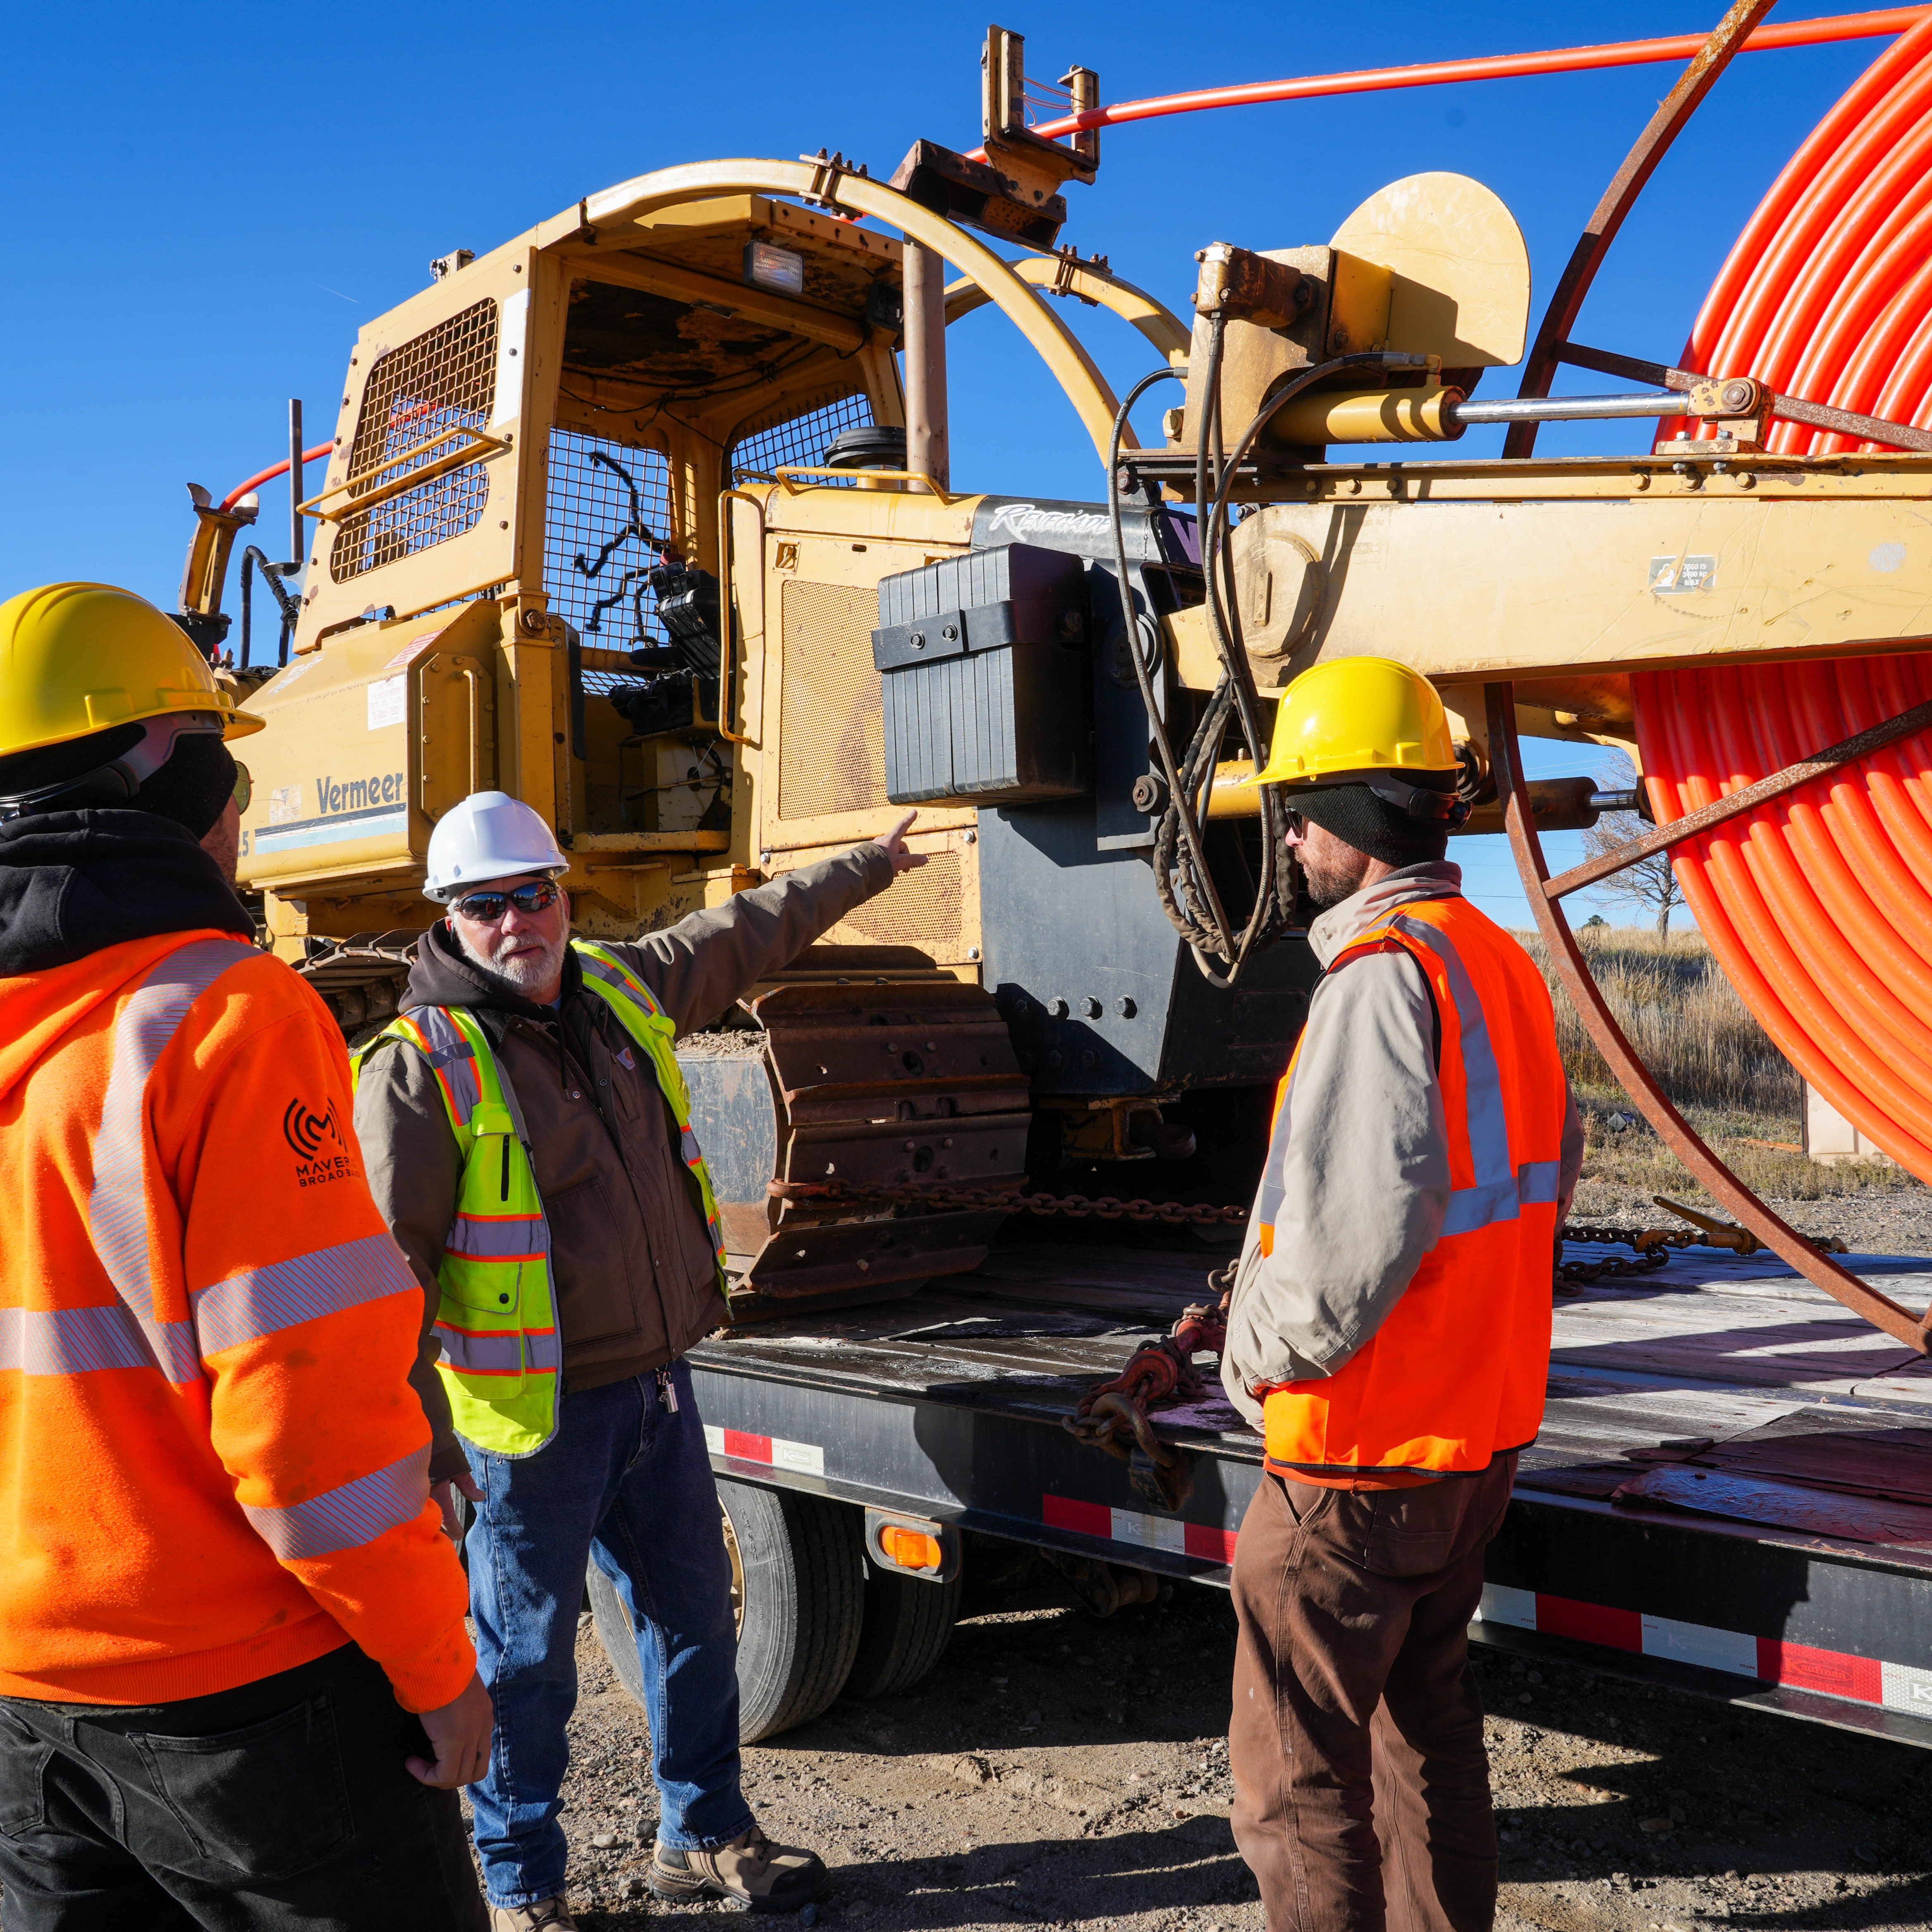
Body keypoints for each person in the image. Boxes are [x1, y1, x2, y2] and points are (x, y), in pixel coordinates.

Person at [0, 582, 492, 1931]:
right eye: (232, 767)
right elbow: (307, 1431)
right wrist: (440, 1669)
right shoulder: (221, 1014)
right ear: (173, 770)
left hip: (21, 1700)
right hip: (236, 1696)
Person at [352, 786, 926, 1930]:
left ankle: (702, 1833)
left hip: (658, 1384)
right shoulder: (421, 1067)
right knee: (524, 1668)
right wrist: (419, 1445)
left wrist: (867, 863)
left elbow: (742, 931)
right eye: (487, 904)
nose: (520, 920)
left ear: (562, 893)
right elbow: (384, 1284)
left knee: (696, 1619)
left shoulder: (615, 988)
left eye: (537, 893)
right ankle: (522, 1890)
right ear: (447, 920)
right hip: (528, 1426)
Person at [1219, 657, 1584, 1932]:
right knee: (1426, 1742)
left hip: (1356, 1461)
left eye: (1304, 809)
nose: (1294, 837)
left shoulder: (1379, 976)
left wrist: (1246, 1356)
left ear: (1363, 818)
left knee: (1293, 1783)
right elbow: (1548, 1179)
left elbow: (1339, 1253)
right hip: (1473, 1441)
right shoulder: (1497, 962)